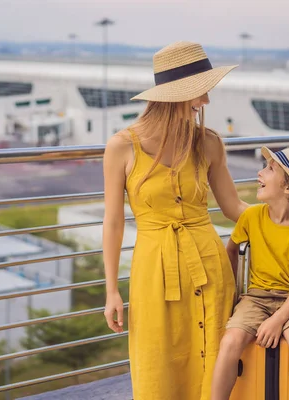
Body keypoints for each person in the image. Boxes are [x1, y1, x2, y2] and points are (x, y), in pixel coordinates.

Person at [102, 41, 248, 400]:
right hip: (155, 271)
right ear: (176, 95)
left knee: (213, 362)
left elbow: (233, 208)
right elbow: (113, 222)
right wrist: (110, 290)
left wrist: (286, 217)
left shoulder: (209, 143)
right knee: (157, 364)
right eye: (201, 93)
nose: (206, 103)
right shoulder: (122, 146)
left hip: (210, 266)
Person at [211, 144, 289, 400]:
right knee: (229, 343)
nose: (260, 173)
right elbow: (231, 251)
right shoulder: (251, 217)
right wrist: (232, 297)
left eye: (270, 169)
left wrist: (277, 320)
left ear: (288, 188)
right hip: (256, 299)